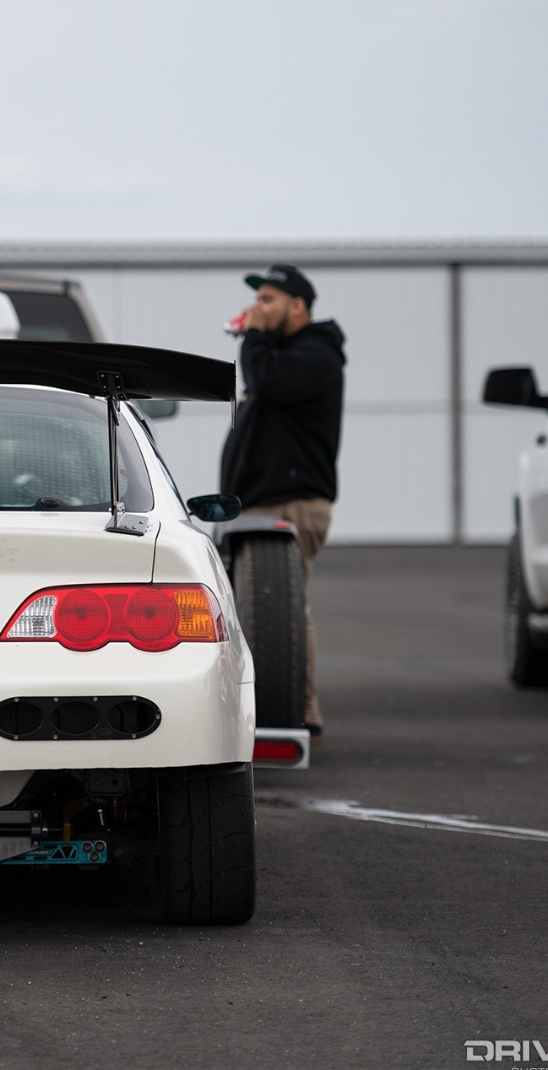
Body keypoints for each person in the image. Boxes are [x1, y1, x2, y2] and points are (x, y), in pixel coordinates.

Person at [219, 264, 346, 736]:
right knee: (261, 608)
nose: (257, 309)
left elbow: (270, 380)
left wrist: (252, 338)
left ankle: (299, 710)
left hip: (290, 504)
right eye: (257, 300)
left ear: (298, 306)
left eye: (268, 300)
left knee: (284, 609)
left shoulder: (317, 354)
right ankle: (264, 706)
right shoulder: (281, 354)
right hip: (261, 503)